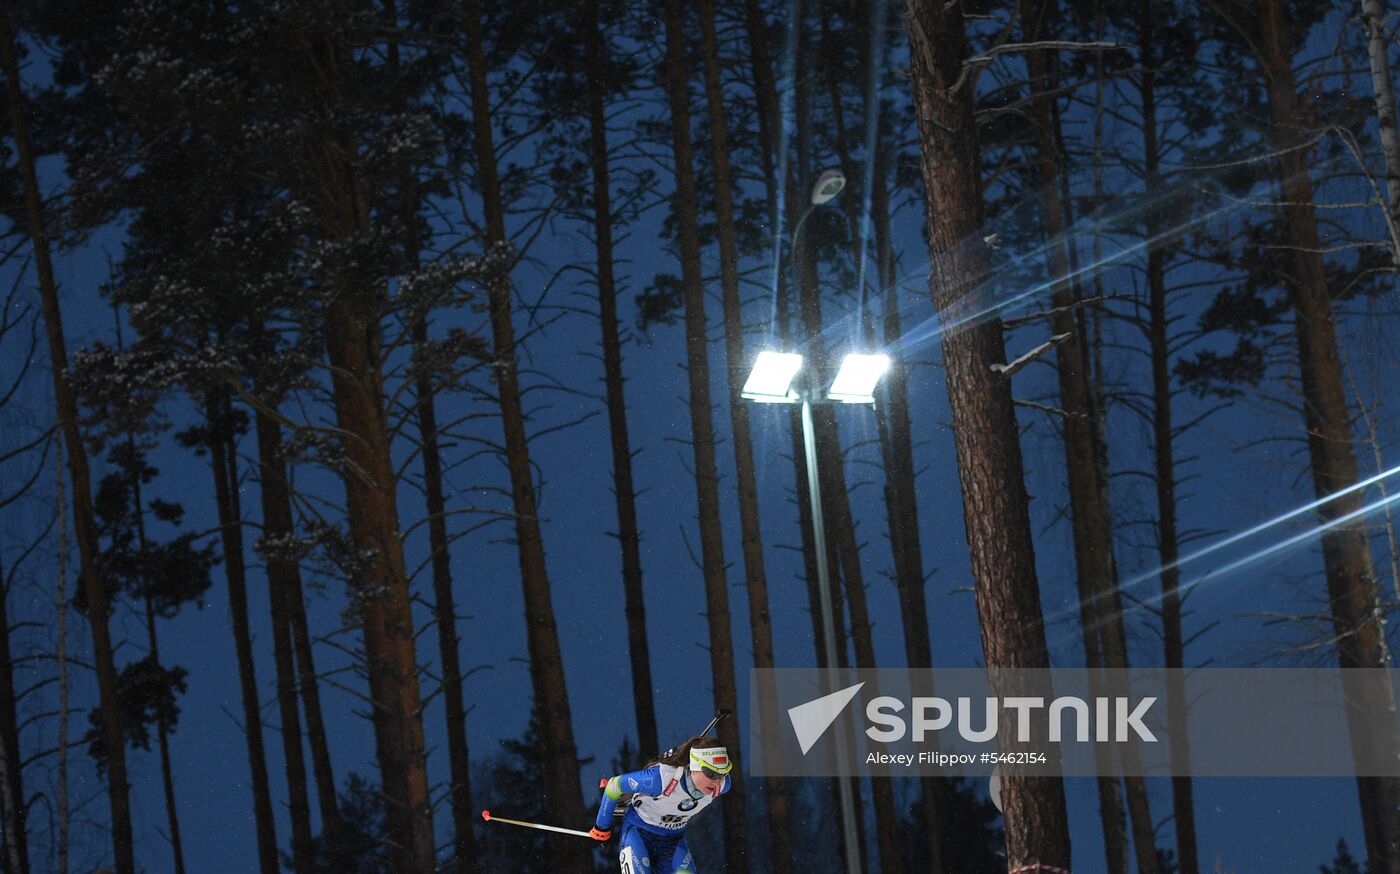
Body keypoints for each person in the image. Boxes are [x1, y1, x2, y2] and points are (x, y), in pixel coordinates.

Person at [589, 735, 733, 873]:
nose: (717, 782)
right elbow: (614, 785)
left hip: (673, 842)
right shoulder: (660, 779)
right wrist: (601, 827)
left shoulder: (723, 785)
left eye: (723, 773)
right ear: (694, 766)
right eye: (711, 773)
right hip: (639, 834)